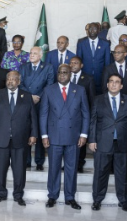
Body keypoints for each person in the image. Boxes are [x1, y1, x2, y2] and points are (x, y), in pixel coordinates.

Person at [40, 64, 89, 210]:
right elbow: (43, 114)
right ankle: (52, 196)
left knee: (71, 168)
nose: (62, 75)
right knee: (53, 168)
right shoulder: (49, 90)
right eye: (60, 72)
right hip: (54, 136)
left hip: (74, 136)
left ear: (70, 74)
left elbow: (86, 114)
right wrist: (44, 135)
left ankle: (70, 197)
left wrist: (84, 134)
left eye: (65, 72)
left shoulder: (79, 90)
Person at [0, 71, 38, 206]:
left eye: (13, 79)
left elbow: (33, 117)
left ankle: (18, 195)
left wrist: (33, 134)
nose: (10, 81)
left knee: (19, 169)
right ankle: (1, 193)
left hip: (20, 139)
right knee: (0, 169)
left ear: (19, 82)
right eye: (8, 78)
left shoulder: (27, 96)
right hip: (0, 138)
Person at [89, 73, 127, 212]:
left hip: (123, 142)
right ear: (107, 84)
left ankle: (123, 201)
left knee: (123, 173)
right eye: (111, 81)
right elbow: (93, 121)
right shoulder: (98, 100)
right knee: (100, 173)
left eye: (117, 82)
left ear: (121, 86)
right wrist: (92, 139)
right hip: (103, 142)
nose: (114, 84)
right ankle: (97, 200)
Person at [20, 46, 55, 170]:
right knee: (26, 130)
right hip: (27, 102)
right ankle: (27, 160)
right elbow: (20, 83)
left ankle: (39, 161)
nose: (31, 55)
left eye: (34, 53)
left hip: (41, 102)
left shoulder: (48, 67)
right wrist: (30, 97)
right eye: (30, 53)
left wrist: (38, 97)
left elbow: (50, 84)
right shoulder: (24, 67)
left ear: (40, 56)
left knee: (40, 131)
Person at [69, 56, 96, 173]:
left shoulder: (88, 79)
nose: (72, 65)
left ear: (81, 65)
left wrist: (90, 115)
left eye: (75, 63)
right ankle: (69, 163)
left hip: (81, 115)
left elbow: (92, 99)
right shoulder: (65, 76)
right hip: (67, 116)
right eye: (71, 63)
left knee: (81, 140)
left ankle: (79, 163)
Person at [76, 22, 111, 94]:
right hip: (85, 76)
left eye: (94, 29)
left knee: (99, 96)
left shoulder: (105, 43)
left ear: (99, 30)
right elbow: (78, 60)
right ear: (87, 30)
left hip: (100, 76)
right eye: (90, 29)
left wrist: (106, 77)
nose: (92, 31)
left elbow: (107, 62)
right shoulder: (81, 42)